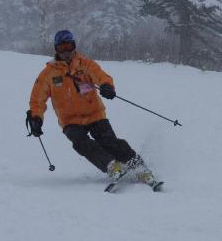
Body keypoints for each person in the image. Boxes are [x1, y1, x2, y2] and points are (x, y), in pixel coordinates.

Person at [27, 30, 151, 182]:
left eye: (68, 47)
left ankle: (137, 165)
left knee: (109, 142)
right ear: (56, 49)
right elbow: (37, 99)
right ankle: (112, 166)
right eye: (61, 48)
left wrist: (106, 85)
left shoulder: (85, 64)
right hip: (70, 121)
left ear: (74, 46)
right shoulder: (48, 74)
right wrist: (36, 118)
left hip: (94, 114)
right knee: (81, 144)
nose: (66, 52)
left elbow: (101, 76)